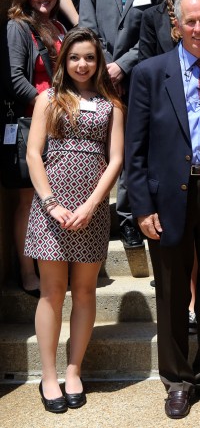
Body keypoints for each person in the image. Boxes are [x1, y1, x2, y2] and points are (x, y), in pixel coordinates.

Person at [125, 0, 200, 420]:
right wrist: (141, 206)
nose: (199, 29)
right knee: (174, 289)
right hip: (168, 195)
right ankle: (177, 379)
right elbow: (135, 147)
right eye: (191, 22)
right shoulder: (149, 72)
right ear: (176, 25)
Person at [25, 27, 124, 413]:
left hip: (92, 210)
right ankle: (48, 377)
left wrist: (92, 205)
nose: (82, 64)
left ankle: (73, 370)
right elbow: (34, 154)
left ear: (99, 62)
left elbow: (115, 159)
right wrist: (51, 203)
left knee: (84, 292)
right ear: (64, 61)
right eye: (74, 57)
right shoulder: (48, 99)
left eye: (90, 57)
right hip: (51, 209)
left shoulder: (111, 104)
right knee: (52, 293)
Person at [79, 0, 163, 249]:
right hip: (96, 72)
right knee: (92, 147)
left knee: (130, 148)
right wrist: (102, 64)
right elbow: (87, 22)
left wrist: (123, 65)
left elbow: (154, 31)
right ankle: (90, 213)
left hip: (136, 74)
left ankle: (127, 218)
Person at [1, 0, 65, 296]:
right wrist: (49, 107)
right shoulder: (18, 27)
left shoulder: (58, 27)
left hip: (62, 125)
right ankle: (27, 272)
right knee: (28, 201)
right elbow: (14, 79)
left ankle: (51, 264)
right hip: (32, 124)